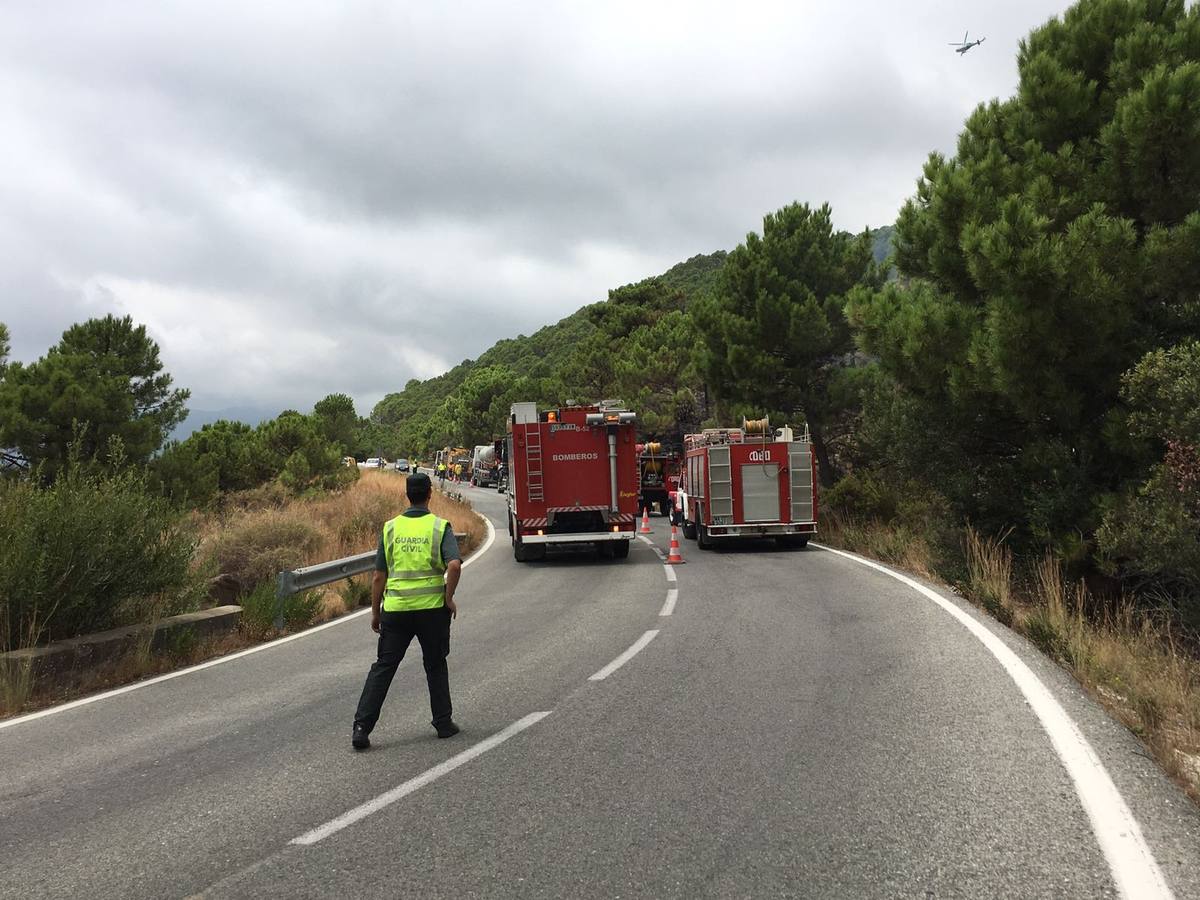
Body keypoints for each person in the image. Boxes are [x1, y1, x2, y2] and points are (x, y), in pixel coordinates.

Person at [352, 472, 462, 750]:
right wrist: (448, 597)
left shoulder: (390, 528)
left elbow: (379, 575)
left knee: (384, 667)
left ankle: (362, 728)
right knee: (435, 664)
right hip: (431, 611)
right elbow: (454, 565)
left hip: (396, 610)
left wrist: (376, 612)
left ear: (406, 495)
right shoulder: (439, 527)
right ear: (429, 495)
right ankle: (443, 723)